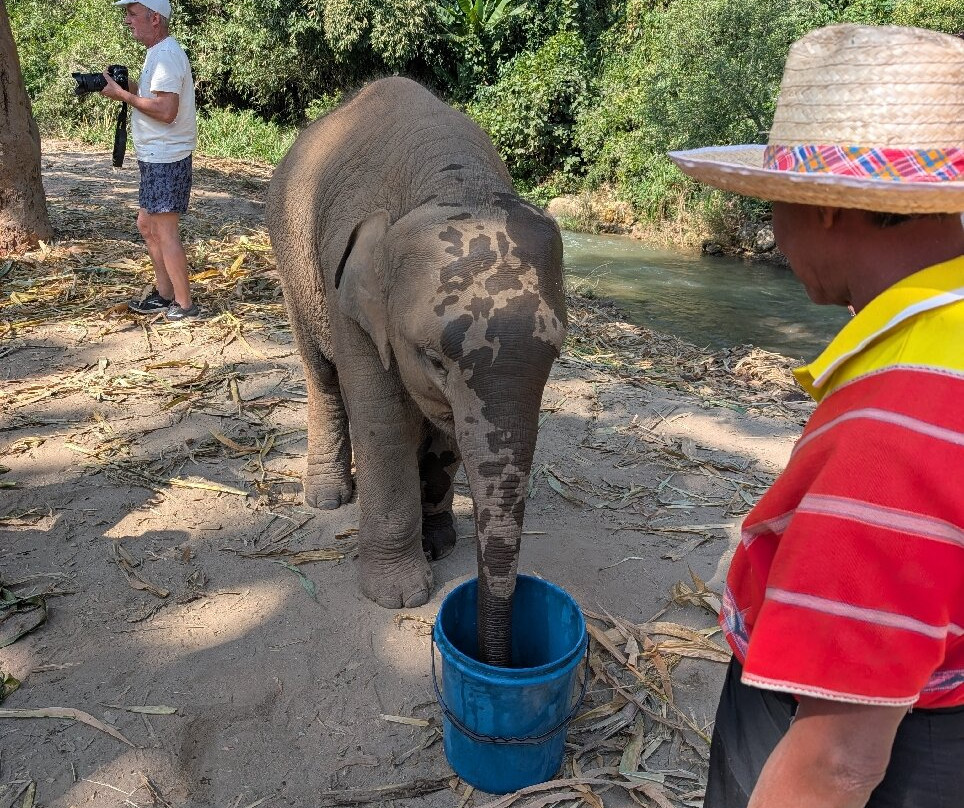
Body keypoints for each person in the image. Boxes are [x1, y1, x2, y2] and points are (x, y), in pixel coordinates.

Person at [668, 24, 963, 808]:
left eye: (774, 203)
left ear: (829, 209)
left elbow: (836, 761)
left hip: (893, 743)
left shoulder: (895, 423)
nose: (773, 229)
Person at [100, 0, 199, 321]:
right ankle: (164, 293)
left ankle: (185, 305)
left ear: (154, 18)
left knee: (164, 231)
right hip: (157, 157)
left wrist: (124, 97)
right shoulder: (158, 53)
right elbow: (154, 96)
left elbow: (166, 111)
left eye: (132, 14)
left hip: (166, 158)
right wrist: (124, 85)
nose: (127, 21)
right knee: (147, 225)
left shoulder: (167, 56)